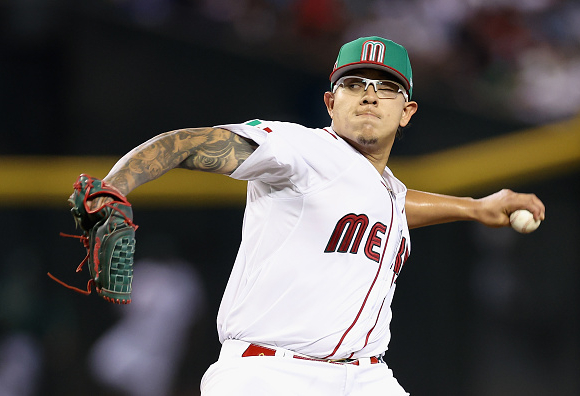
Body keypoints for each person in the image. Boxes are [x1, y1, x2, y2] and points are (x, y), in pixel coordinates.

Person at [89, 36, 545, 395]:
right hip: (272, 375)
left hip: (366, 378)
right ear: (331, 103)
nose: (369, 97)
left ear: (406, 113)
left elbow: (393, 204)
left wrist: (474, 207)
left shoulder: (382, 188)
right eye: (353, 84)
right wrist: (114, 188)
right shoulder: (300, 150)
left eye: (385, 88)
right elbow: (186, 143)